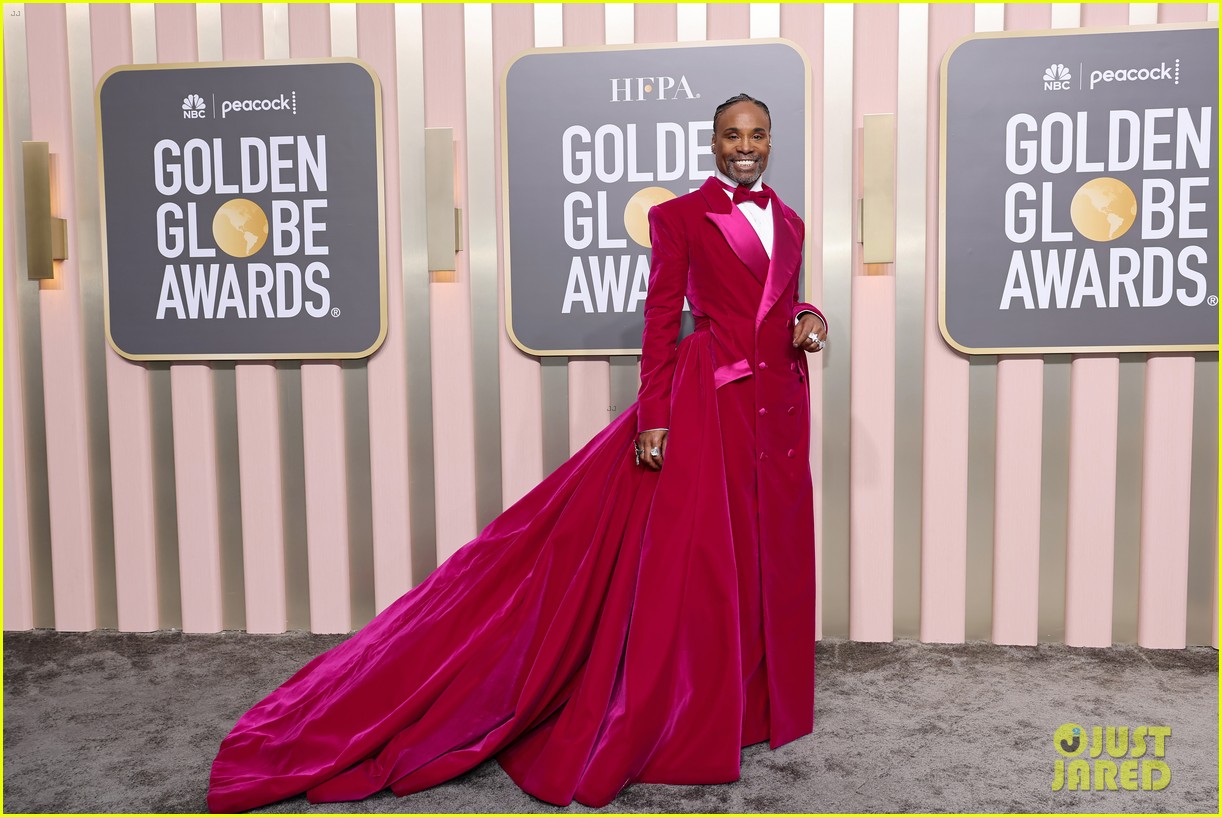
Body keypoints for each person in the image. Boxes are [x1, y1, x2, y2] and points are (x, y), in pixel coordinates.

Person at [206, 93, 826, 813]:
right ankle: (696, 714)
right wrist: (653, 414)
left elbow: (779, 304)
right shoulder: (679, 216)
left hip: (778, 409)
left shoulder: (790, 220)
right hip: (709, 404)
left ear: (771, 141)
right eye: (730, 134)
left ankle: (757, 707)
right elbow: (662, 318)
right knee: (702, 568)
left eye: (756, 134)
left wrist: (809, 316)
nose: (744, 146)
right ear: (712, 142)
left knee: (765, 555)